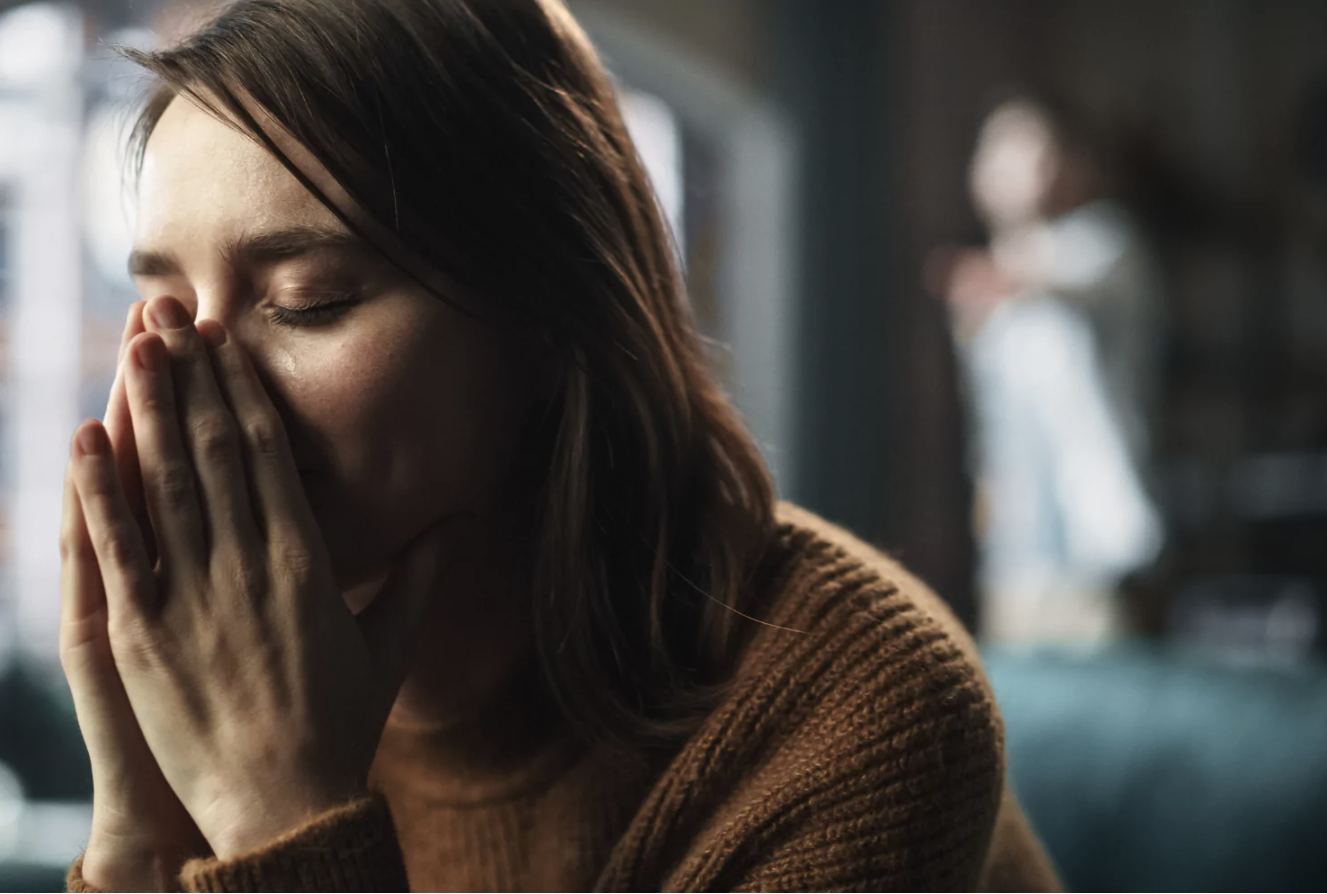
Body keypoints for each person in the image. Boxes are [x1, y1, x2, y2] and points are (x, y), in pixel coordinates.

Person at [59, 2, 1059, 890]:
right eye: (168, 312)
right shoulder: (207, 686)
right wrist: (138, 845)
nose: (202, 391)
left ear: (546, 316)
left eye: (307, 302)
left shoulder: (855, 721)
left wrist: (283, 818)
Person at [937, 94, 1163, 643]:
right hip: (1015, 555)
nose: (1028, 165)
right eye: (1007, 150)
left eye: (1041, 150)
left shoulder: (1106, 245)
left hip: (1097, 549)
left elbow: (1048, 277)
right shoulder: (985, 291)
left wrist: (995, 280)